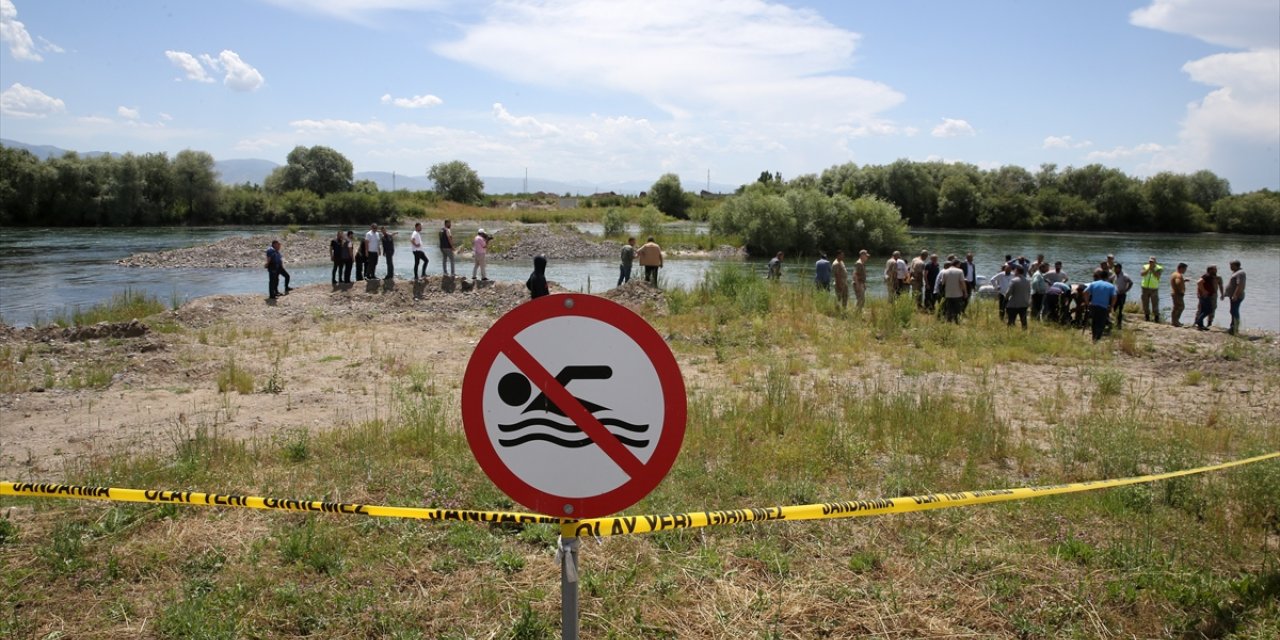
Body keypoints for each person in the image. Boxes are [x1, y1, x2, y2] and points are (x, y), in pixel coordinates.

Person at [1083, 269, 1117, 342]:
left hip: (1094, 305)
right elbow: (1114, 296)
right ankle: (1097, 338)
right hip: (1103, 307)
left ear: (1100, 276)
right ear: (1107, 277)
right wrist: (1111, 306)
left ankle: (1094, 337)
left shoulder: (1094, 283)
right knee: (1101, 323)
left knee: (1094, 322)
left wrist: (1087, 303)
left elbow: (1085, 292)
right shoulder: (1111, 286)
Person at [1194, 265, 1222, 331]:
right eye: (1215, 269)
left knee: (1203, 310)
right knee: (1208, 310)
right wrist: (1204, 291)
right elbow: (1199, 283)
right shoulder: (1207, 276)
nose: (1216, 270)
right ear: (1210, 270)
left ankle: (1200, 325)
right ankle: (1199, 321)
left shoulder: (1211, 277)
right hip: (1206, 296)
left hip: (1208, 295)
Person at [939, 259, 967, 323]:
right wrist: (965, 292)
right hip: (958, 293)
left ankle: (949, 321)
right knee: (957, 309)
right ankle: (957, 321)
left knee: (949, 308)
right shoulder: (960, 271)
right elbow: (962, 282)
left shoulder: (945, 271)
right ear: (957, 264)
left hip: (948, 293)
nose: (960, 266)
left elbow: (943, 283)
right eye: (959, 265)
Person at [1224, 260, 1246, 335]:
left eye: (1231, 265)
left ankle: (1235, 329)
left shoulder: (1240, 273)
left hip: (1237, 296)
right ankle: (1232, 327)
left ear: (1236, 265)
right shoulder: (1236, 272)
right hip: (1233, 296)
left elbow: (1240, 285)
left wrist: (1235, 295)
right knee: (1232, 311)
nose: (1230, 267)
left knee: (1234, 311)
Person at [1140, 256, 1164, 322]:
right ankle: (1147, 316)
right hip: (1145, 287)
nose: (1151, 263)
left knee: (1155, 303)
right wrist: (1148, 269)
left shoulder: (1159, 268)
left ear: (1155, 262)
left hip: (1154, 288)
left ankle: (1156, 317)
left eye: (1152, 262)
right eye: (1150, 261)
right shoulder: (1145, 266)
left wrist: (1152, 269)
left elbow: (1157, 275)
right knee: (1145, 303)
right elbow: (1142, 274)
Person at [1112, 264, 1133, 329]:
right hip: (1115, 294)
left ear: (1120, 268)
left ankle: (1119, 325)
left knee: (1120, 309)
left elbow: (1131, 283)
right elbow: (1111, 280)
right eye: (1114, 268)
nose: (1115, 269)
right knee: (1114, 309)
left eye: (1116, 268)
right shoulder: (1114, 275)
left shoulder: (1124, 276)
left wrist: (1126, 290)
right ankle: (1114, 323)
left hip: (1121, 295)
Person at [1170, 262, 1188, 327]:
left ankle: (1174, 321)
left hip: (1174, 293)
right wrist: (1181, 291)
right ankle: (1175, 322)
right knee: (1180, 307)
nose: (1185, 271)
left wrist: (1183, 281)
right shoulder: (1178, 275)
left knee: (1176, 307)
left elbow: (1178, 282)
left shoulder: (1174, 274)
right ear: (1180, 268)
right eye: (1185, 269)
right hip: (1177, 294)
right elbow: (1177, 283)